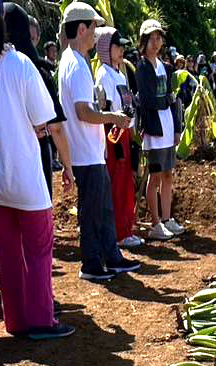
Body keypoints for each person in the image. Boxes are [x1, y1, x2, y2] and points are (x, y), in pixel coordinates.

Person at [0, 0, 73, 338]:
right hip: (24, 176)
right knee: (39, 249)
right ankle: (41, 320)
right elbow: (45, 121)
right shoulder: (20, 63)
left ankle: (17, 321)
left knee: (8, 253)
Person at [57, 2, 139, 282]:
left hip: (88, 151)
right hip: (85, 152)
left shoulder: (74, 61)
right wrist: (112, 117)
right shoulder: (77, 65)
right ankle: (91, 263)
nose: (96, 33)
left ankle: (110, 257)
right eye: (93, 27)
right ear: (81, 29)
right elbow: (83, 112)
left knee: (102, 209)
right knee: (93, 211)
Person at [3, 0, 63, 200]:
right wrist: (68, 166)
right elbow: (52, 125)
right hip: (33, 153)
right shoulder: (35, 69)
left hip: (1, 159)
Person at [135, 18, 182, 242]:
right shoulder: (142, 67)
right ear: (144, 41)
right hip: (154, 132)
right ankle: (155, 223)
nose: (156, 42)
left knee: (167, 175)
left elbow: (171, 99)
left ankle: (166, 218)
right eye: (152, 38)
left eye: (159, 38)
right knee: (154, 177)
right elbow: (147, 100)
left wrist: (177, 127)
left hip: (167, 127)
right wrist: (164, 102)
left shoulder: (164, 66)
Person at [94, 26, 140, 248]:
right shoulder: (103, 74)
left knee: (125, 182)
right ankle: (118, 232)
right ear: (105, 48)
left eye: (122, 46)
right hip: (113, 135)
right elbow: (110, 109)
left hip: (124, 133)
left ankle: (126, 228)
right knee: (116, 183)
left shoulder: (120, 74)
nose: (121, 50)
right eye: (117, 46)